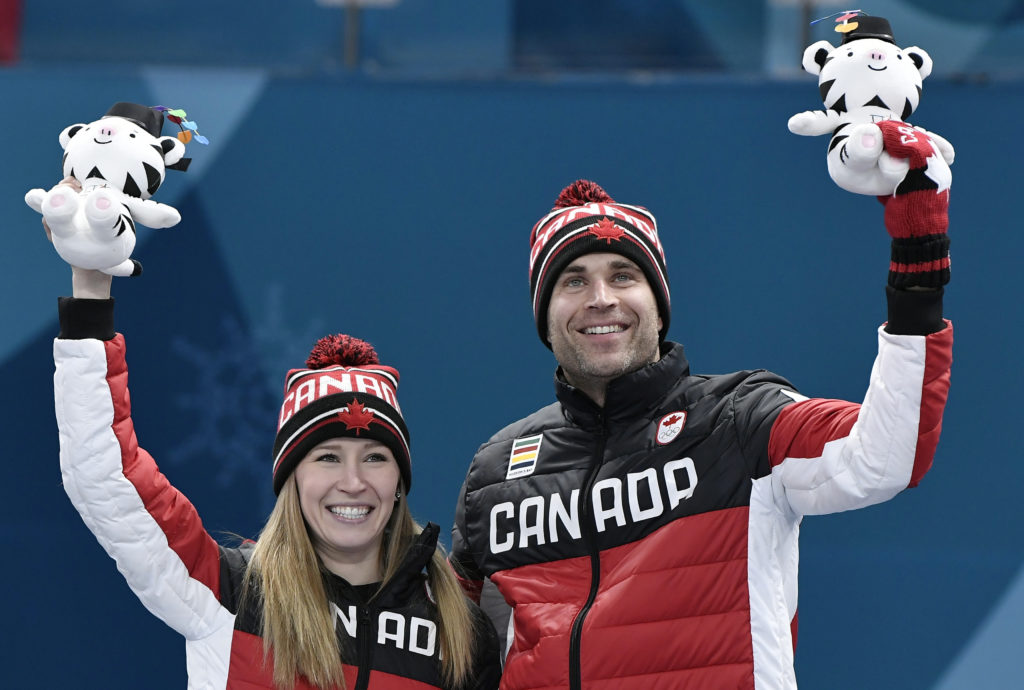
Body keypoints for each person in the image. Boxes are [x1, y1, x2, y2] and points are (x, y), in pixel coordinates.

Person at [450, 120, 953, 688]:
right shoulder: (495, 475)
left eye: (623, 275)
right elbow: (456, 660)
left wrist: (919, 258)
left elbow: (886, 456)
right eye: (572, 281)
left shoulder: (738, 420)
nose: (601, 299)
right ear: (544, 315)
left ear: (659, 306)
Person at [50, 205, 501, 689]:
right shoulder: (230, 593)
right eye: (327, 458)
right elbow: (105, 476)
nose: (353, 483)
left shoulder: (460, 632)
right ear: (293, 479)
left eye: (375, 457)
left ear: (399, 483)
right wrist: (91, 288)